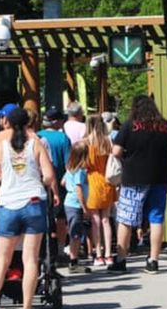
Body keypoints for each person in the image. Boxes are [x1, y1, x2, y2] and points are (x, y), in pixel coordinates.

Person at [0, 107, 58, 309]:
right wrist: (37, 182)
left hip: (8, 204)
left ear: (8, 124)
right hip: (33, 203)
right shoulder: (36, 144)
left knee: (1, 259)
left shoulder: (0, 147)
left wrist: (1, 178)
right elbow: (50, 176)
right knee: (30, 258)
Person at [109, 95, 167, 274]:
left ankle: (121, 259)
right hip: (159, 179)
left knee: (126, 219)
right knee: (156, 219)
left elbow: (116, 151)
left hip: (133, 179)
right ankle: (153, 260)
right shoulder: (166, 127)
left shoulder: (129, 126)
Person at [39, 106, 73, 260]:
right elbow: (69, 164)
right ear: (57, 122)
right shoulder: (63, 138)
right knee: (60, 218)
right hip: (59, 182)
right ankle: (59, 250)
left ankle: (44, 249)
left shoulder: (37, 136)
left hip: (40, 183)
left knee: (44, 216)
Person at [84, 115, 118, 265]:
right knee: (106, 219)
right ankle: (109, 253)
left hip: (92, 181)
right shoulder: (107, 140)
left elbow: (84, 165)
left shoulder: (86, 142)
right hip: (107, 181)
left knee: (95, 220)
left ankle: (98, 254)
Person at [62, 141, 91, 270]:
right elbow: (78, 188)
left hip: (69, 202)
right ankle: (73, 261)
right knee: (76, 233)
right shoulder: (79, 171)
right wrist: (84, 206)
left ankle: (74, 259)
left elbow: (63, 182)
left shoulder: (70, 168)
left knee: (75, 231)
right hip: (75, 204)